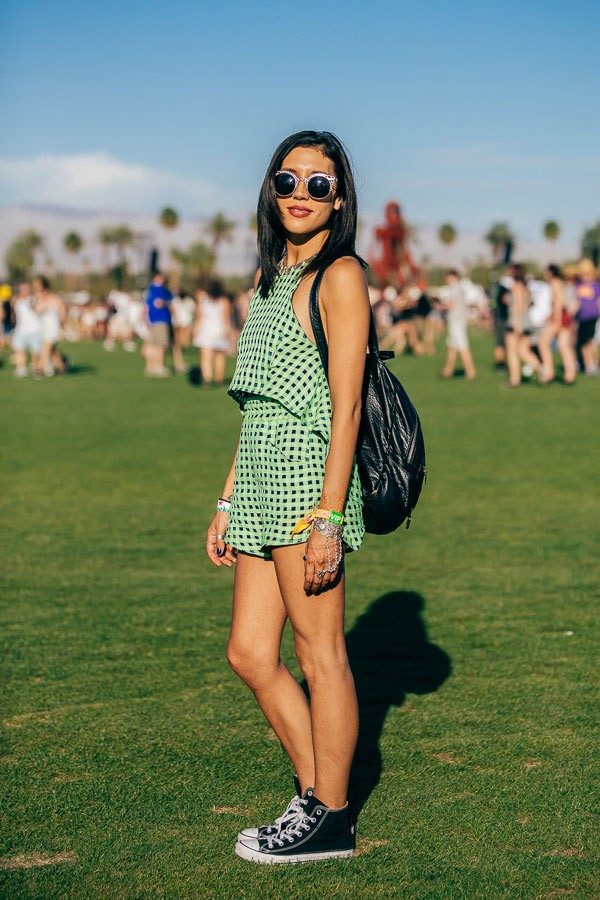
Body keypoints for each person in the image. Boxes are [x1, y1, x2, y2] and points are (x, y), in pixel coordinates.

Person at [206, 131, 370, 864]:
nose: (301, 194)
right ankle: (316, 791)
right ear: (271, 189)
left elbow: (347, 407)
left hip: (309, 483)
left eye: (318, 184)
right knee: (249, 652)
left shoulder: (340, 275)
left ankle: (330, 816)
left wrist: (329, 515)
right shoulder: (271, 275)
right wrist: (228, 500)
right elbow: (257, 403)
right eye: (287, 180)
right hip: (259, 479)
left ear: (339, 198)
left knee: (319, 652)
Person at [538, 265, 577, 384]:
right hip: (564, 315)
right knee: (563, 346)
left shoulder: (554, 282)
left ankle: (549, 372)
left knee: (543, 343)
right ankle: (570, 374)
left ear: (550, 273)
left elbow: (558, 301)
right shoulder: (562, 282)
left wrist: (557, 319)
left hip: (558, 316)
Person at [504, 263, 541, 387]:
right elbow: (528, 304)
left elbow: (517, 305)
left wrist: (516, 324)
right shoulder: (526, 288)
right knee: (523, 351)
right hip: (527, 322)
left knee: (512, 353)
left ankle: (514, 379)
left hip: (516, 323)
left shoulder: (516, 286)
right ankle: (543, 371)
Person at [192, 283, 231, 386]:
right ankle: (219, 379)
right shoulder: (224, 301)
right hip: (220, 330)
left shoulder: (203, 301)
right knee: (220, 357)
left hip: (205, 330)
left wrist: (195, 330)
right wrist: (227, 331)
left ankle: (207, 379)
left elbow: (199, 317)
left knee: (206, 358)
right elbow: (226, 317)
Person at [440, 269, 476, 380]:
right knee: (452, 346)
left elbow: (450, 304)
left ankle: (470, 372)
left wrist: (440, 306)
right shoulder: (459, 288)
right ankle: (448, 371)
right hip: (457, 321)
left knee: (462, 346)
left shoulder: (454, 288)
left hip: (457, 322)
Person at [32, 275, 67, 376]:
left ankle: (40, 369)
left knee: (46, 347)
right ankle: (61, 368)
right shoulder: (39, 299)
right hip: (44, 329)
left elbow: (63, 313)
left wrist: (63, 327)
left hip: (54, 329)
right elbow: (36, 312)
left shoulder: (56, 299)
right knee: (52, 350)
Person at [143, 272, 173, 376]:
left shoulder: (149, 290)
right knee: (160, 345)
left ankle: (150, 367)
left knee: (152, 344)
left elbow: (146, 306)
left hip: (152, 320)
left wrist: (146, 319)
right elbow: (158, 303)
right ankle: (159, 366)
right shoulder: (160, 290)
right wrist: (166, 303)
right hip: (160, 319)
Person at [11, 282, 42, 377]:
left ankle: (35, 367)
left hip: (34, 329)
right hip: (20, 329)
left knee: (35, 351)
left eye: (26, 289)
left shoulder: (34, 299)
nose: (24, 291)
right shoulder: (17, 301)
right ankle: (21, 368)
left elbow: (38, 310)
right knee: (19, 349)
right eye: (22, 289)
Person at [574, 259, 600, 375]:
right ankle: (587, 365)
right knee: (583, 342)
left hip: (592, 317)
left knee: (589, 341)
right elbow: (576, 302)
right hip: (581, 318)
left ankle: (592, 365)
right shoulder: (578, 286)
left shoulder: (596, 285)